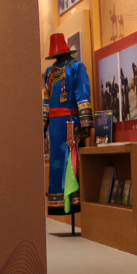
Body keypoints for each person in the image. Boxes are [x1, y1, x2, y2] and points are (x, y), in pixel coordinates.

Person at [42, 33, 93, 216]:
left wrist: (85, 122)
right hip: (56, 126)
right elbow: (47, 99)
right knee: (56, 163)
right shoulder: (49, 72)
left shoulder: (76, 67)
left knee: (68, 161)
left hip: (70, 123)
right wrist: (44, 122)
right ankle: (58, 202)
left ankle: (71, 200)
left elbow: (82, 93)